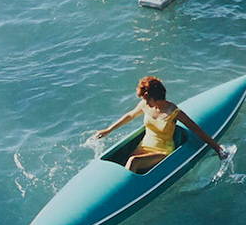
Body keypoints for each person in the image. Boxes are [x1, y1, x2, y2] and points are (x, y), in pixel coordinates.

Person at [94, 74, 228, 175]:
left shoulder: (173, 112)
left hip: (162, 151)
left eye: (146, 99)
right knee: (125, 162)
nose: (144, 103)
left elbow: (197, 130)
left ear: (152, 97)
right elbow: (130, 115)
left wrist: (218, 149)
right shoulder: (145, 105)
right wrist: (108, 130)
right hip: (143, 147)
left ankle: (124, 194)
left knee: (133, 161)